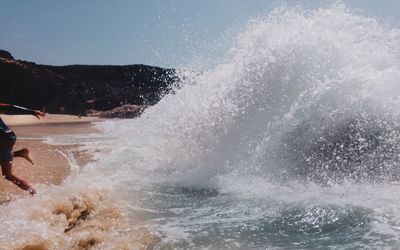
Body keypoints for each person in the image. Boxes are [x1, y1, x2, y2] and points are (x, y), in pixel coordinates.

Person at [0, 103, 45, 195]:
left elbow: (10, 108)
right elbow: (10, 107)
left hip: (2, 140)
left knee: (7, 175)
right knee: (4, 160)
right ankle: (21, 153)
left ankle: (34, 193)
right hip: (8, 136)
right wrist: (32, 111)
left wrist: (32, 111)